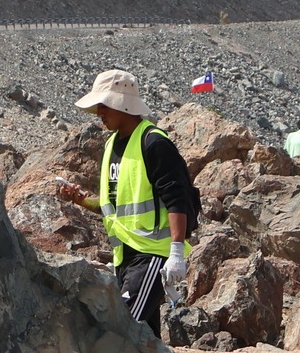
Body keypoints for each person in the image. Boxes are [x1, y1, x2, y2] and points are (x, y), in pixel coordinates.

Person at [57, 70, 197, 335]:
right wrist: (80, 200)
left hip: (152, 254)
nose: (99, 112)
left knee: (123, 330)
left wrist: (176, 252)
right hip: (125, 256)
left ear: (122, 104)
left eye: (104, 105)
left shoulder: (154, 143)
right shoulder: (111, 145)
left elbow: (177, 198)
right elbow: (114, 205)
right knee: (145, 337)